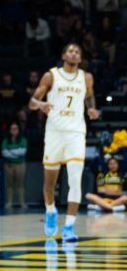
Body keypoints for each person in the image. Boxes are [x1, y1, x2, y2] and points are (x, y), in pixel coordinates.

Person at [29, 42, 99, 243]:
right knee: (50, 182)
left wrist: (91, 109)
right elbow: (32, 102)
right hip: (54, 133)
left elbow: (90, 97)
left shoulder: (86, 77)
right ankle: (50, 209)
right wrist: (41, 104)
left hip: (76, 133)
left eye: (78, 51)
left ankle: (69, 225)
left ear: (81, 57)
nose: (74, 53)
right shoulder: (51, 76)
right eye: (70, 50)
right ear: (63, 55)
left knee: (75, 180)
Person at [2, 121, 28, 210]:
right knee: (10, 184)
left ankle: (22, 203)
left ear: (18, 130)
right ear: (9, 130)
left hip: (20, 164)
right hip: (9, 164)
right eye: (12, 129)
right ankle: (9, 203)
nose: (14, 130)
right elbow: (5, 153)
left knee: (20, 184)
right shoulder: (6, 141)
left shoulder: (23, 140)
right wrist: (16, 153)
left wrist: (11, 152)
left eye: (15, 129)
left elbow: (22, 152)